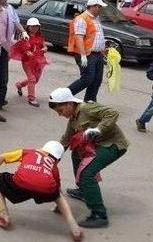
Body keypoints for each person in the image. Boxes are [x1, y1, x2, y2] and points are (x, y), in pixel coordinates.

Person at [49, 87, 129, 228]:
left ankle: (99, 214)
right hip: (98, 145)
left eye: (60, 111)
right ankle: (83, 190)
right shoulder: (73, 119)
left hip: (113, 145)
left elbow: (113, 113)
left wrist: (99, 129)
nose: (59, 115)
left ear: (69, 104)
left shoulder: (86, 108)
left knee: (87, 174)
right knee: (76, 153)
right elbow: (66, 140)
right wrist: (51, 157)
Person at [0, 140, 83, 241]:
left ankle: (4, 215)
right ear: (57, 159)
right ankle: (74, 228)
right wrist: (58, 204)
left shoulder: (28, 152)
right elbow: (57, 187)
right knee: (59, 196)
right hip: (45, 190)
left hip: (20, 184)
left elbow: (2, 157)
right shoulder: (53, 165)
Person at [67, 0, 107, 102]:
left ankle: (90, 101)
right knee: (87, 79)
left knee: (97, 80)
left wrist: (103, 48)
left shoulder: (96, 19)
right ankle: (64, 95)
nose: (100, 9)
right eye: (99, 7)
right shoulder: (82, 18)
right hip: (87, 54)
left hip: (97, 54)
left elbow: (96, 35)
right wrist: (83, 55)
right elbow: (79, 37)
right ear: (93, 7)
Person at [13, 17, 47, 107]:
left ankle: (19, 85)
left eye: (36, 26)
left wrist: (43, 50)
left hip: (39, 61)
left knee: (35, 80)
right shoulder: (24, 37)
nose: (35, 28)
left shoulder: (40, 37)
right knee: (32, 79)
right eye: (33, 26)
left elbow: (45, 47)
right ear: (28, 27)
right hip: (27, 61)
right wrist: (28, 53)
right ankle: (31, 98)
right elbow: (23, 49)